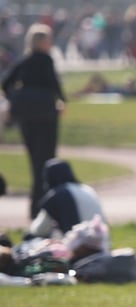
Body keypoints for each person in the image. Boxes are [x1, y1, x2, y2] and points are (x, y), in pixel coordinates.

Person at [1, 23, 66, 219]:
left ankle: (35, 207)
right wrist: (62, 101)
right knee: (46, 162)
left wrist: (17, 99)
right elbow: (54, 84)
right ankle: (43, 208)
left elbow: (6, 84)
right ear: (41, 42)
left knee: (34, 161)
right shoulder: (46, 60)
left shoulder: (23, 61)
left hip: (25, 115)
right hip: (46, 115)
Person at [28, 158, 106, 239]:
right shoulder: (86, 189)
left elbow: (39, 230)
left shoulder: (57, 195)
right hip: (102, 242)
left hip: (81, 246)